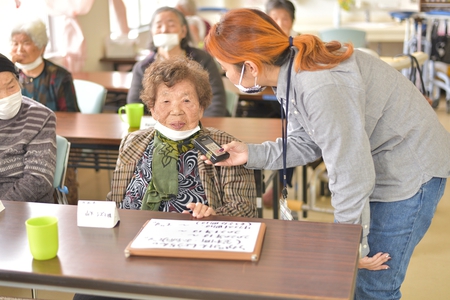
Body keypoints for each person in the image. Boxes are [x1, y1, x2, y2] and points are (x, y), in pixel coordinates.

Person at [203, 8, 450, 300]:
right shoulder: (292, 70)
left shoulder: (319, 84)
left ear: (251, 67)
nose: (226, 76)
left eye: (226, 68)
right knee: (357, 278)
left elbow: (351, 173)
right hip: (377, 161)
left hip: (409, 170)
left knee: (373, 286)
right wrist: (250, 154)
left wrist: (348, 246)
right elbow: (308, 141)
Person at [72, 56, 257, 300]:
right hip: (132, 247)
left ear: (202, 106)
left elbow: (245, 210)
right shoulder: (133, 142)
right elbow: (114, 200)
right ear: (152, 107)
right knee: (88, 292)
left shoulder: (224, 147)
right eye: (166, 100)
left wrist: (214, 215)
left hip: (193, 252)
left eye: (187, 100)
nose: (176, 110)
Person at [126, 6, 228, 117]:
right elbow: (135, 104)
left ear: (183, 31)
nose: (164, 30)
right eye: (159, 25)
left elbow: (217, 99)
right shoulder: (142, 67)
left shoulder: (203, 59)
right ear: (152, 32)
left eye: (171, 25)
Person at [0, 53, 56, 203]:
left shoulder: (40, 117)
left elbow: (38, 179)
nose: (5, 96)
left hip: (27, 207)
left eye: (11, 86)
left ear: (19, 82)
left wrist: (3, 207)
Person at [263, 0, 299, 208]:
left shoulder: (301, 44)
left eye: (284, 19)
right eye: (274, 18)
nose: (279, 23)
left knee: (293, 134)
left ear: (292, 21)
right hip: (266, 104)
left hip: (292, 103)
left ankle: (279, 182)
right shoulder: (259, 44)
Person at [10, 19, 79, 112]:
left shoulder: (60, 76)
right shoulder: (10, 75)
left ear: (42, 47)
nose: (19, 50)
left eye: (26, 43)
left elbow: (71, 116)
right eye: (15, 44)